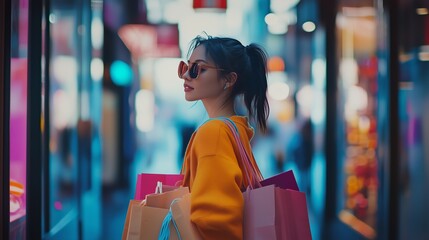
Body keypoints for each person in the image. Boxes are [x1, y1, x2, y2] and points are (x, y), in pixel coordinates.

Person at [178, 34, 269, 239]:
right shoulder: (235, 130)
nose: (186, 76)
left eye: (197, 68)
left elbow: (215, 220)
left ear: (228, 79)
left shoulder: (214, 132)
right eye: (186, 66)